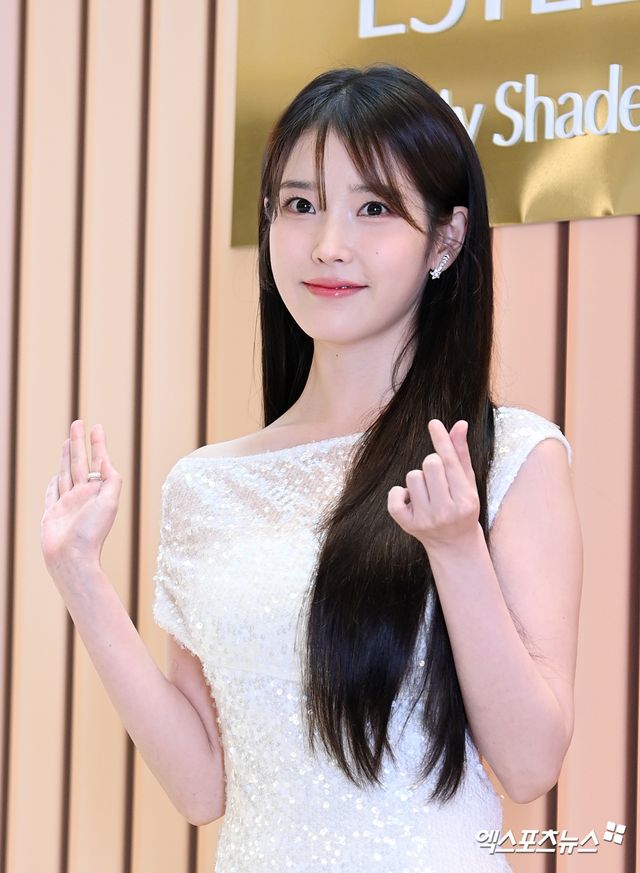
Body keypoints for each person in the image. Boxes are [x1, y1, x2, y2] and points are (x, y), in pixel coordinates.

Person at [41, 64, 582, 872]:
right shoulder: (206, 486)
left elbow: (532, 763)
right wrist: (80, 577)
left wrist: (456, 547)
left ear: (446, 238)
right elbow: (201, 788)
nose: (329, 244)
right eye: (300, 205)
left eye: (374, 208)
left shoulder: (511, 457)